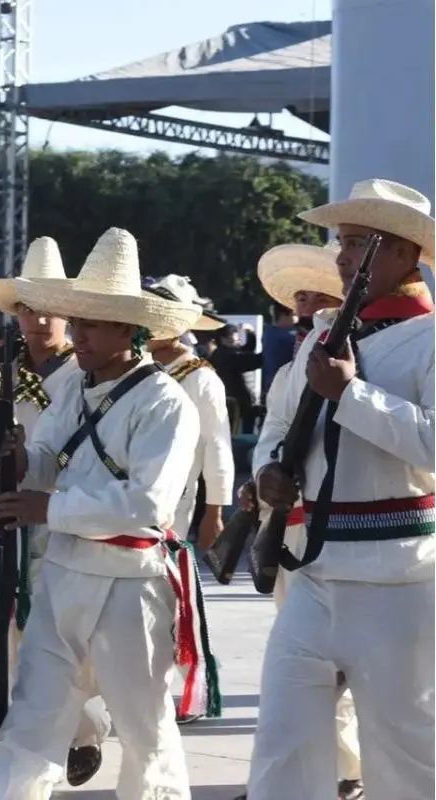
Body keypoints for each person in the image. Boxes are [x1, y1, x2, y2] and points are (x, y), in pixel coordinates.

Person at [0, 227, 214, 799]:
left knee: (145, 733)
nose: (77, 333)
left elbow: (148, 505)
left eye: (90, 323)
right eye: (77, 320)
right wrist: (22, 456)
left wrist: (49, 505)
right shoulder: (73, 390)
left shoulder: (166, 401)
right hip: (61, 576)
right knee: (30, 725)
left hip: (130, 586)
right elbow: (49, 460)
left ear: (129, 329)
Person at [245, 179, 435, 800]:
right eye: (342, 243)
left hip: (401, 582)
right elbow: (277, 426)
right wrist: (268, 470)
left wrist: (352, 396)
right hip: (315, 576)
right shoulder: (322, 338)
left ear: (408, 255)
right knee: (282, 747)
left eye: (360, 243)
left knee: (406, 758)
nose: (342, 257)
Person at [0, 235, 111, 787]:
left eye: (53, 310)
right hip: (13, 507)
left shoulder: (82, 374)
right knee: (16, 627)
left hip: (66, 510)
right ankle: (43, 734)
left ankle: (85, 729)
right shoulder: (0, 368)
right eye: (28, 309)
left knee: (69, 634)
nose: (39, 322)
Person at [231, 241, 356, 799]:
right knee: (302, 673)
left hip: (347, 538)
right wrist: (260, 479)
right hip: (292, 533)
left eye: (315, 290)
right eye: (299, 292)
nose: (301, 300)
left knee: (342, 674)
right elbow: (274, 438)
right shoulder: (290, 369)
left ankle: (349, 771)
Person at [144, 274, 235, 552]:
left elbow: (217, 446)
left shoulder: (200, 378)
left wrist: (214, 512)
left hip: (175, 499)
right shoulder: (133, 367)